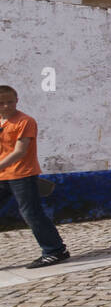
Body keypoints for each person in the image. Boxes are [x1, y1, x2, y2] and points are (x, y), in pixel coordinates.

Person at [0, 85, 70, 268]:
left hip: (22, 174)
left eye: (10, 102)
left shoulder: (25, 121)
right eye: (1, 103)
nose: (6, 106)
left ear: (17, 100)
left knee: (31, 213)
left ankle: (55, 251)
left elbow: (20, 151)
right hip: (2, 176)